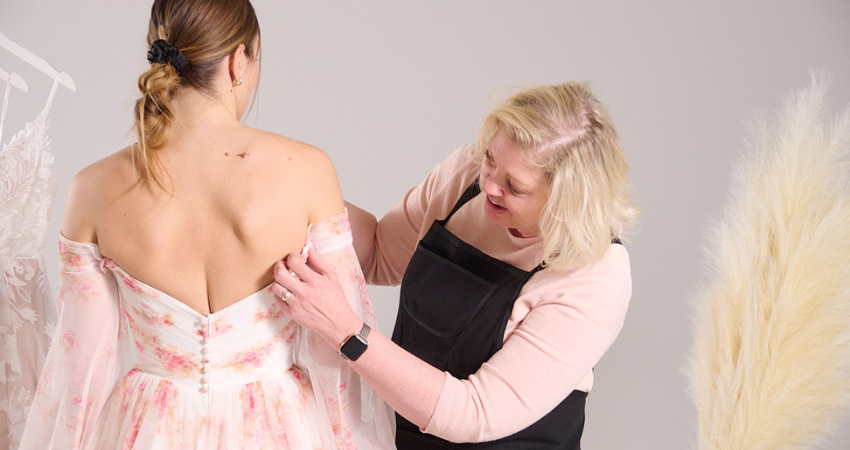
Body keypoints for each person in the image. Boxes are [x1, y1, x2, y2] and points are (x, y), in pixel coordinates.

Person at [19, 0, 394, 448]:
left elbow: (79, 367)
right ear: (239, 60)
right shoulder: (307, 171)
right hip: (278, 426)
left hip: (149, 427)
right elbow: (337, 348)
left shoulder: (91, 189)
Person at [274, 81, 638, 449]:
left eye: (515, 186)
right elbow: (379, 254)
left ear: (567, 198)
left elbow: (473, 415)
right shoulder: (466, 176)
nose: (489, 185)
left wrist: (345, 331)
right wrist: (303, 189)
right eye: (491, 159)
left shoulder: (596, 275)